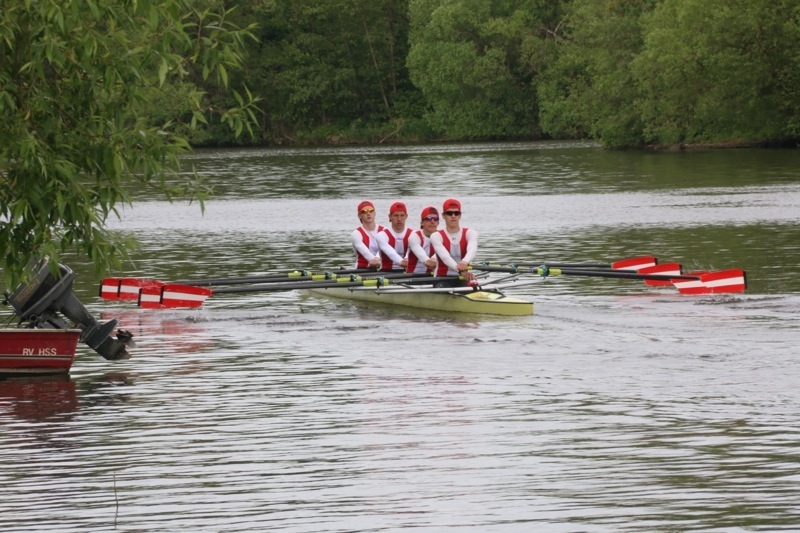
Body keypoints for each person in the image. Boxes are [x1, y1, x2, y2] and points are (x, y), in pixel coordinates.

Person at [430, 198, 478, 281]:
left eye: (456, 213)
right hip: (442, 278)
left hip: (464, 277)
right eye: (449, 213)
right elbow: (445, 257)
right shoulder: (436, 236)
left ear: (460, 215)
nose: (453, 216)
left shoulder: (471, 233)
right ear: (443, 215)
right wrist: (460, 270)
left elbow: (472, 250)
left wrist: (464, 262)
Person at [376, 201, 412, 271]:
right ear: (390, 217)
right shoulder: (381, 235)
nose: (399, 219)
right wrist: (401, 261)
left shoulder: (413, 235)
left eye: (402, 215)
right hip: (386, 272)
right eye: (396, 215)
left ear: (406, 216)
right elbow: (390, 252)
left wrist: (406, 258)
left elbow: (413, 250)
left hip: (407, 272)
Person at [406, 206, 440, 274]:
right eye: (428, 219)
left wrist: (434, 258)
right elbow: (425, 259)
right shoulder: (414, 237)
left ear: (438, 223)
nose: (432, 221)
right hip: (413, 276)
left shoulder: (442, 236)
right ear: (422, 223)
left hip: (434, 276)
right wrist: (430, 261)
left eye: (435, 219)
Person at [351, 200, 384, 268]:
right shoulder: (356, 234)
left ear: (375, 213)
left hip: (382, 268)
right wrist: (375, 261)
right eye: (364, 212)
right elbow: (365, 253)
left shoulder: (384, 231)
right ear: (359, 216)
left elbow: (384, 248)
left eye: (371, 210)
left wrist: (377, 259)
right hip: (362, 269)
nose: (368, 213)